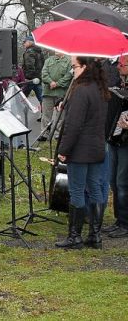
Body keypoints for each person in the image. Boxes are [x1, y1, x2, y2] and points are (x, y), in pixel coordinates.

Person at [56, 57, 109, 249]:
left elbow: (74, 125)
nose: (73, 71)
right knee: (95, 188)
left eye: (74, 67)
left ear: (84, 67)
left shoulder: (82, 90)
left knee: (77, 190)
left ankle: (74, 237)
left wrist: (64, 150)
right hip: (96, 147)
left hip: (80, 149)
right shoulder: (100, 89)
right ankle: (95, 236)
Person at [104, 55, 128, 238]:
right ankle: (119, 220)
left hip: (126, 142)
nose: (118, 67)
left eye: (122, 64)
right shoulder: (120, 85)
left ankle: (125, 223)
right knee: (113, 180)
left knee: (122, 182)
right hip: (115, 139)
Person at [39, 51, 72, 141]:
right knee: (46, 114)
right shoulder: (48, 60)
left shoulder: (69, 61)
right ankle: (44, 133)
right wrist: (50, 82)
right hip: (48, 92)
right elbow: (44, 74)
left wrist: (57, 84)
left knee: (60, 114)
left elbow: (69, 76)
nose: (56, 50)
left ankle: (58, 134)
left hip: (61, 93)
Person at [21, 34, 44, 110]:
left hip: (30, 79)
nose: (24, 44)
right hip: (38, 78)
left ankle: (20, 115)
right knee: (41, 98)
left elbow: (29, 66)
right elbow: (42, 64)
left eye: (25, 42)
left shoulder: (29, 52)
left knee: (21, 98)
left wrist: (27, 78)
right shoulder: (40, 51)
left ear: (30, 42)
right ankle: (44, 115)